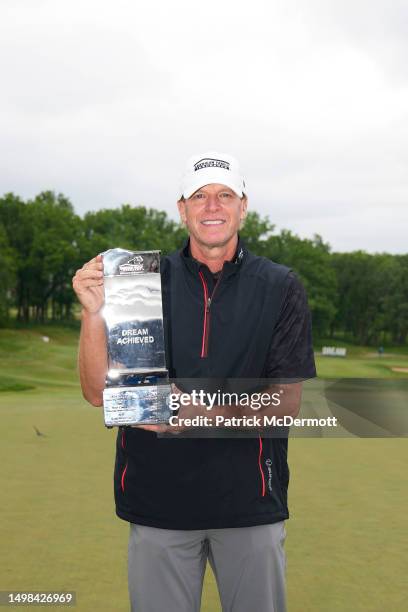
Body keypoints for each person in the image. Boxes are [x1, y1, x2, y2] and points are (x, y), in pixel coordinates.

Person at [72, 151, 316, 612]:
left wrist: (193, 412)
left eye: (225, 195)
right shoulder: (139, 281)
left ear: (243, 206)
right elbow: (96, 393)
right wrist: (93, 312)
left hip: (250, 503)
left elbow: (285, 404)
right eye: (198, 196)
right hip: (158, 503)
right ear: (181, 209)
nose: (212, 206)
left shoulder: (281, 285)